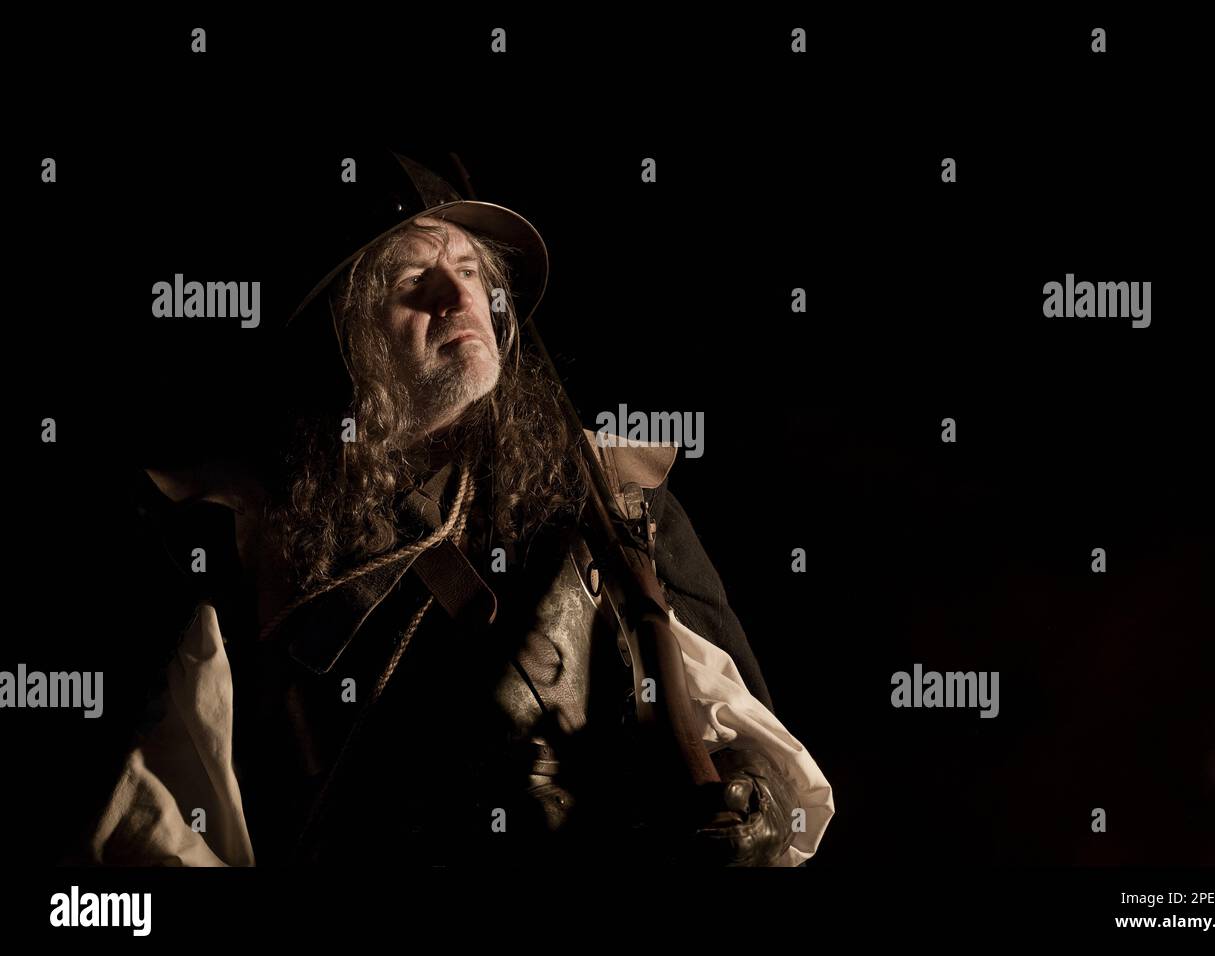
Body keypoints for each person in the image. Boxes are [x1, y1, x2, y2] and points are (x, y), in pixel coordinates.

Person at [84, 151, 833, 867]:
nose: (456, 296)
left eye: (470, 270)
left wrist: (757, 809)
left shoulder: (609, 489)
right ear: (340, 333)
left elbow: (752, 751)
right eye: (412, 278)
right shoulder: (236, 531)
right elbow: (156, 823)